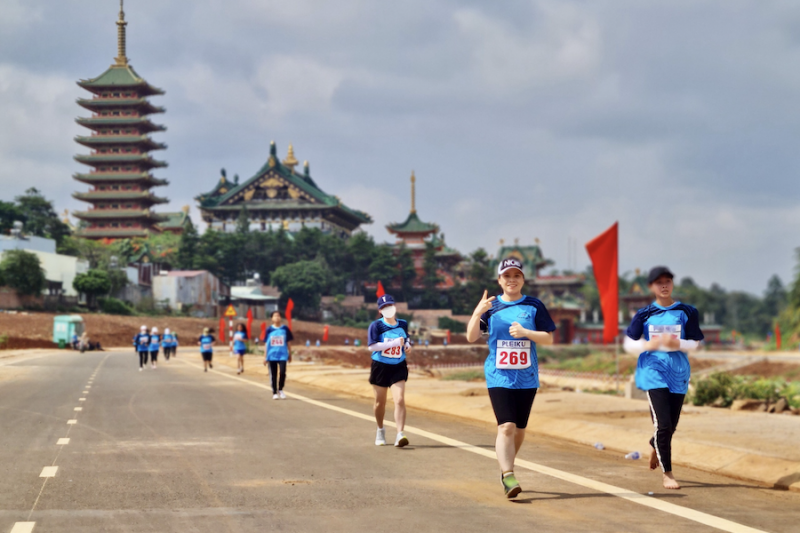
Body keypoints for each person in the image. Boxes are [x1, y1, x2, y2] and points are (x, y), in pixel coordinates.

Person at [466, 258, 556, 498]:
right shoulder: (491, 306)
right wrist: (477, 313)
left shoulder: (534, 305)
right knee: (506, 426)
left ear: (523, 279)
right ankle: (508, 475)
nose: (512, 280)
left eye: (517, 275)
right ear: (499, 280)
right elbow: (472, 336)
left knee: (520, 429)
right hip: (498, 375)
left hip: (527, 376)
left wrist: (527, 333)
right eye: (507, 276)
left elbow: (549, 338)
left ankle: (507, 467)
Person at [623, 266, 704, 490]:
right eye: (659, 282)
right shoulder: (644, 314)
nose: (664, 285)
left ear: (672, 284)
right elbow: (629, 343)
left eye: (668, 281)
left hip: (678, 374)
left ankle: (655, 443)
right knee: (664, 423)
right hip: (653, 373)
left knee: (670, 425)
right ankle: (667, 474)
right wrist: (646, 345)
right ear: (652, 287)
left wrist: (678, 344)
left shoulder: (687, 312)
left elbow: (696, 344)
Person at [367, 294, 411, 448]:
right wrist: (393, 343)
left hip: (398, 365)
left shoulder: (403, 324)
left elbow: (406, 340)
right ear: (380, 310)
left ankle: (400, 434)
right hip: (380, 366)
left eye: (390, 305)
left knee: (399, 399)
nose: (388, 308)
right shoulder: (376, 326)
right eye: (385, 307)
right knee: (380, 402)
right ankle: (380, 429)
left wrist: (407, 345)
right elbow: (371, 347)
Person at [263, 311, 294, 399]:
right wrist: (265, 356)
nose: (277, 317)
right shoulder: (269, 330)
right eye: (275, 316)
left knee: (283, 372)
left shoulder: (285, 329)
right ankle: (274, 392)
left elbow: (288, 342)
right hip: (271, 355)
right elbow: (266, 344)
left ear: (281, 318)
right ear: (272, 318)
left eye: (278, 316)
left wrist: (290, 354)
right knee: (273, 374)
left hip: (283, 355)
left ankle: (280, 389)